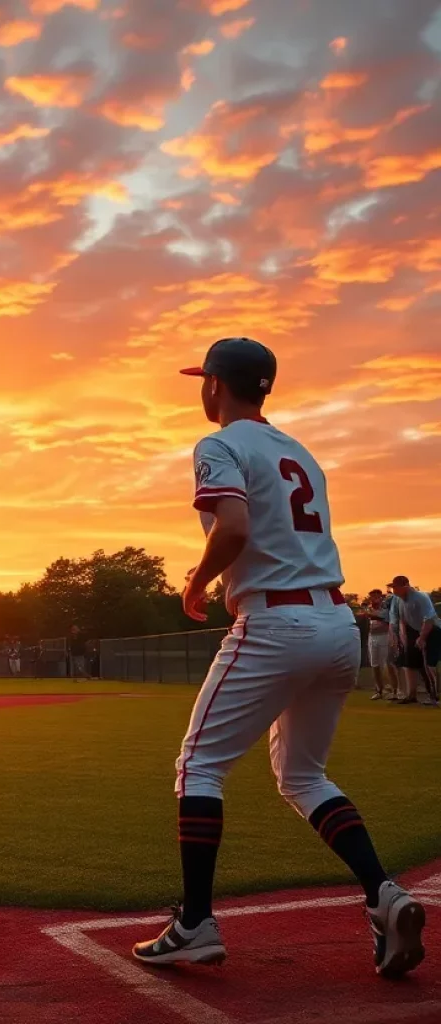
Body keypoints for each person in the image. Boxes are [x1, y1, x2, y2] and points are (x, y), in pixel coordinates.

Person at [133, 337, 424, 978]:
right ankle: (385, 895)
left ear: (214, 385)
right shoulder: (300, 451)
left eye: (202, 380)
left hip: (276, 621)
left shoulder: (219, 444)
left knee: (199, 765)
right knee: (303, 776)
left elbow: (233, 528)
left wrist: (196, 581)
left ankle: (195, 924)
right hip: (336, 622)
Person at [388, 576, 441, 707]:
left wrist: (422, 638)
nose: (393, 590)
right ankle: (411, 695)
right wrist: (404, 636)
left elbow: (429, 619)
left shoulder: (420, 597)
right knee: (410, 663)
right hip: (415, 630)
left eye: (396, 587)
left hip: (433, 631)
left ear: (405, 586)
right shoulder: (400, 600)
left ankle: (435, 697)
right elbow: (403, 619)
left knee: (429, 665)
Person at [364, 590, 400, 701]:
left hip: (384, 636)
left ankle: (395, 691)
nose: (374, 599)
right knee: (375, 665)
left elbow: (383, 619)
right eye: (371, 597)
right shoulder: (369, 608)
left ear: (381, 597)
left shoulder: (386, 609)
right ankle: (379, 690)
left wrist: (369, 614)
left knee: (388, 664)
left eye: (376, 596)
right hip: (372, 637)